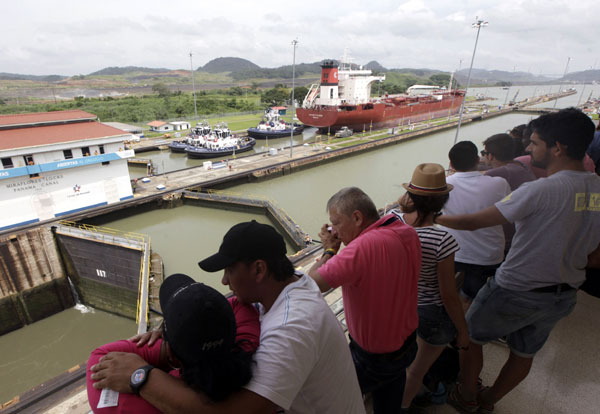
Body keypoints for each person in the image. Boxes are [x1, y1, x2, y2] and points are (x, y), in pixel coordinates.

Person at [91, 220, 365, 414]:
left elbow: (239, 410)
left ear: (258, 270)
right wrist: (173, 329)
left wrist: (140, 377)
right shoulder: (291, 285)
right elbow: (227, 306)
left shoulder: (291, 326)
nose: (224, 281)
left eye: (230, 271)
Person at [438, 107, 600, 413]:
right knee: (524, 354)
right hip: (563, 294)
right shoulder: (597, 186)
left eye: (535, 143)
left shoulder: (540, 190)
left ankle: (468, 395)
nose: (527, 148)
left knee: (469, 337)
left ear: (557, 147)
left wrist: (436, 218)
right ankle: (489, 401)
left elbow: (476, 221)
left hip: (515, 288)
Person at [308, 187, 421, 414]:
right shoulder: (405, 231)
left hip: (373, 357)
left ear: (357, 217)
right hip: (406, 341)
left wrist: (330, 250)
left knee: (332, 397)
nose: (335, 231)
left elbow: (310, 285)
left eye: (336, 223)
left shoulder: (360, 249)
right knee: (389, 395)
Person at [87, 273, 259, 414]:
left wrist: (163, 345)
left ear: (172, 355)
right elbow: (237, 304)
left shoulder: (146, 405)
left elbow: (99, 356)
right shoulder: (251, 345)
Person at [389, 164, 469, 411]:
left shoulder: (390, 222)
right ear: (442, 202)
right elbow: (447, 294)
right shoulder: (442, 240)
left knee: (397, 364)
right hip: (429, 312)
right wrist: (462, 331)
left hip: (396, 306)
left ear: (410, 196)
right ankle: (400, 407)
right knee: (416, 370)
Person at [442, 141, 511, 308]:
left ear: (451, 163)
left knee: (444, 288)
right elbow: (509, 213)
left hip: (453, 253)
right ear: (477, 160)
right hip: (488, 255)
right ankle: (469, 303)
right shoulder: (499, 183)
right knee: (473, 290)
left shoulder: (442, 185)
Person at [481, 133, 536, 253]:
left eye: (483, 153)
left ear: (490, 156)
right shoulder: (522, 166)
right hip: (524, 233)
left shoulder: (496, 174)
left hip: (507, 240)